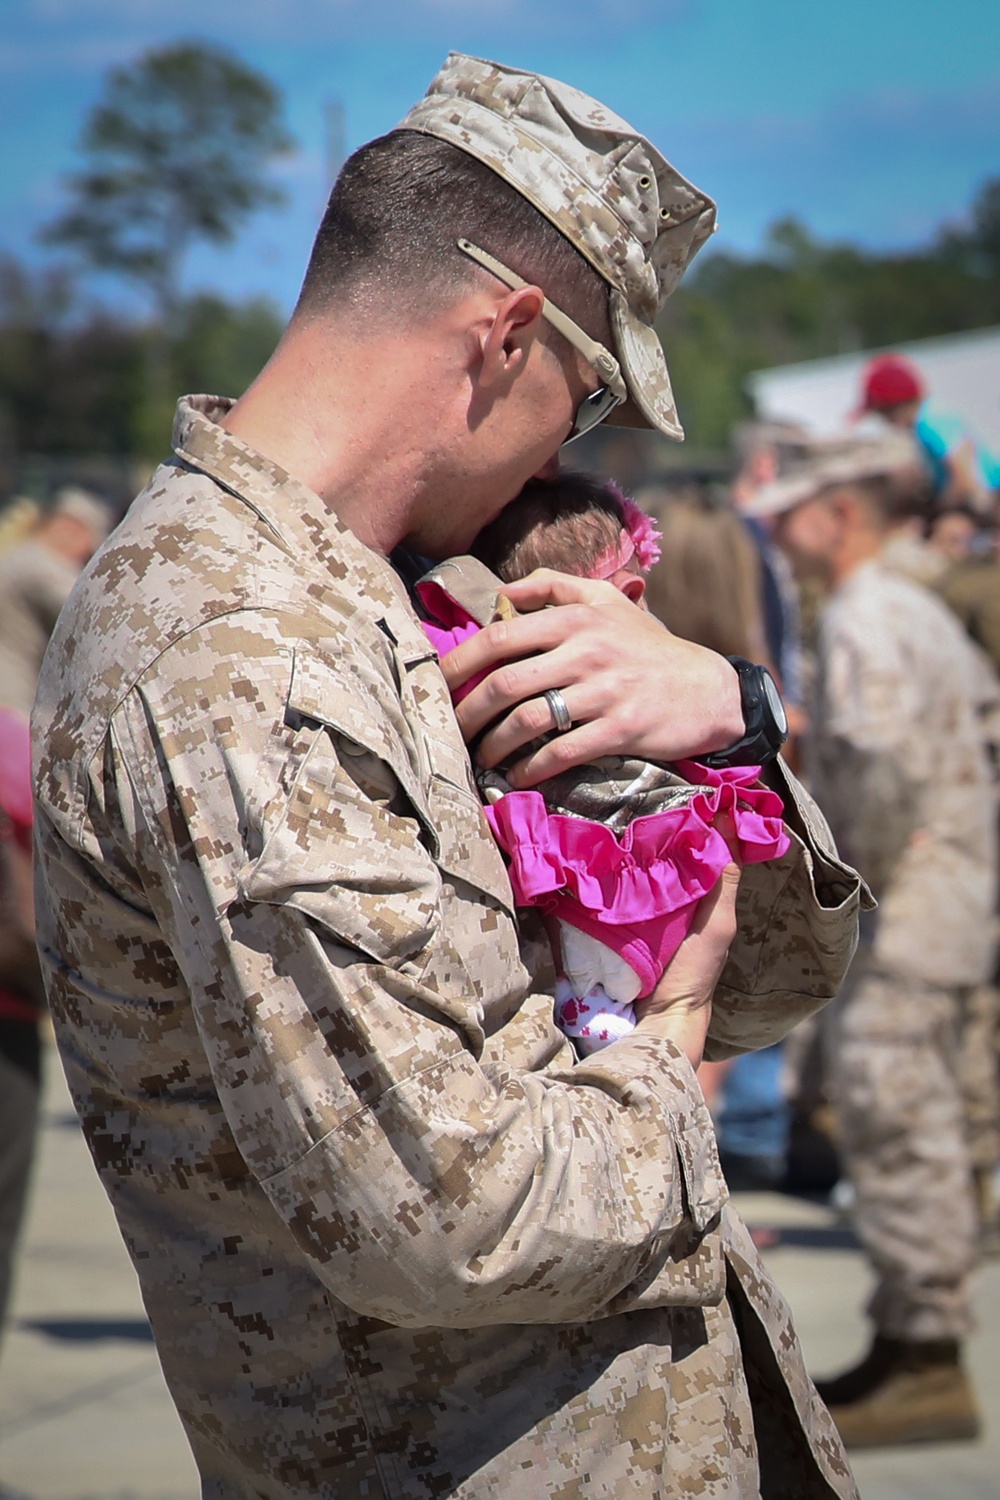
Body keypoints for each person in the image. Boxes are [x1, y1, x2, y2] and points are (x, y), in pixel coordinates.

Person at [32, 56, 868, 1498]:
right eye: (592, 402)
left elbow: (769, 973)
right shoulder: (239, 649)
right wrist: (669, 1060)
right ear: (508, 333)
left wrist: (726, 722)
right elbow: (448, 1210)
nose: (573, 453)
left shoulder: (394, 596)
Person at [748, 439, 999, 1449]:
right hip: (951, 894)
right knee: (932, 1112)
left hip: (910, 899)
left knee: (892, 1120)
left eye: (791, 509)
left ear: (838, 515)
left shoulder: (864, 612)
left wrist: (866, 878)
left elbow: (886, 764)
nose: (773, 527)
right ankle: (913, 1342)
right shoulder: (909, 603)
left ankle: (926, 1358)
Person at [418, 472, 791, 1056]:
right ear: (633, 593)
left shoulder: (449, 645)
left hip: (544, 920)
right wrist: (680, 1010)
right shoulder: (665, 687)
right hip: (652, 923)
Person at [0, 486, 111, 718]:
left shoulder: (20, 556)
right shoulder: (43, 567)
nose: (87, 556)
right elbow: (96, 619)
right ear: (72, 529)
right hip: (13, 699)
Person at [857, 353, 1000, 515]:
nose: (886, 424)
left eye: (882, 415)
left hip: (991, 495)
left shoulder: (929, 423)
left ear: (894, 408)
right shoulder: (929, 418)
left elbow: (963, 479)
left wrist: (938, 511)